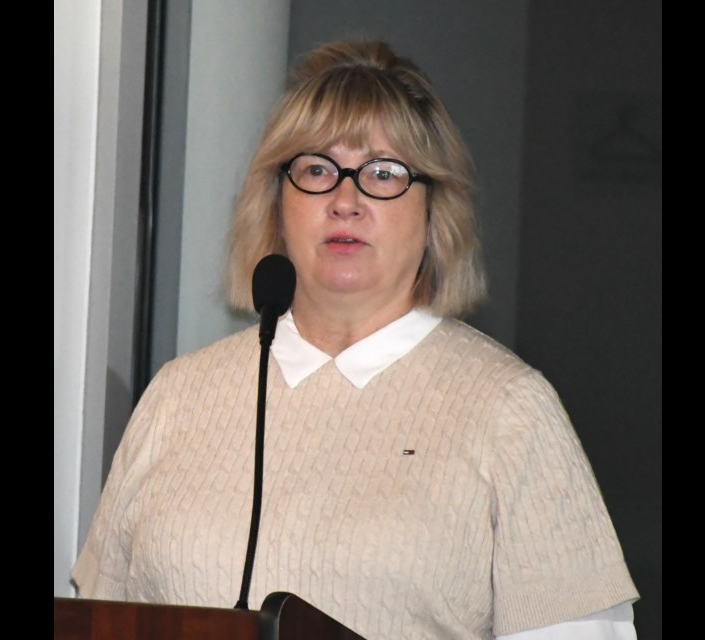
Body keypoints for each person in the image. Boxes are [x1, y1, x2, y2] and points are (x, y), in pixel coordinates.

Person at [73, 40, 639, 639]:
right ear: (276, 202)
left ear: (434, 211)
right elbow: (99, 621)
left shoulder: (511, 411)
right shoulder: (179, 395)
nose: (346, 200)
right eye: (317, 169)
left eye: (383, 173)